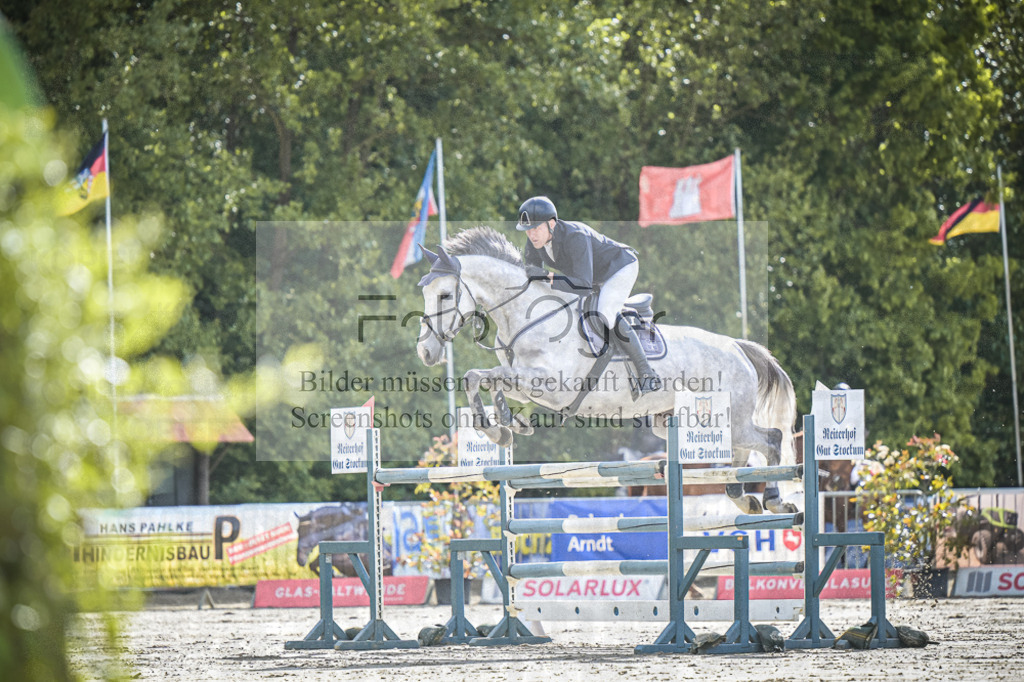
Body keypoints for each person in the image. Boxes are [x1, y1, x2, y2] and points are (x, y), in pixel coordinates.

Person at [516, 195, 662, 395]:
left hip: (619, 267)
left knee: (605, 312)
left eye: (535, 228)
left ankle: (647, 374)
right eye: (528, 230)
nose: (531, 235)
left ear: (551, 224)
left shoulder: (575, 236)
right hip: (591, 277)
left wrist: (548, 276)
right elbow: (534, 278)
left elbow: (582, 286)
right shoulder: (535, 243)